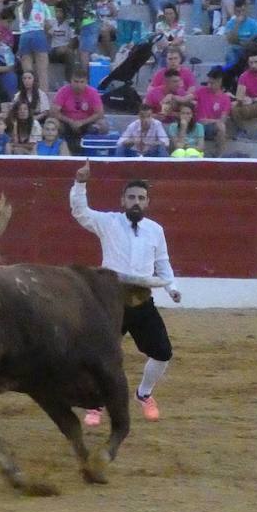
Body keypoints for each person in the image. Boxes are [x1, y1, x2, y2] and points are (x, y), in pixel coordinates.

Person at [70, 159, 180, 424]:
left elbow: (162, 262)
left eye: (141, 198)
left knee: (162, 353)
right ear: (122, 201)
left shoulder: (155, 230)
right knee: (95, 355)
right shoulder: (108, 222)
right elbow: (80, 212)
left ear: (147, 203)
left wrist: (172, 287)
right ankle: (95, 403)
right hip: (109, 302)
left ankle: (143, 394)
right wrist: (80, 182)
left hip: (142, 301)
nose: (136, 202)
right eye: (131, 197)